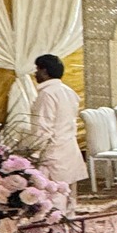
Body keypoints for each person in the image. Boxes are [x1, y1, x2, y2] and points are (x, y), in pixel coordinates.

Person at [30, 54, 87, 191]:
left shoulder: (47, 94)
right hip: (69, 148)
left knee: (53, 197)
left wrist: (34, 154)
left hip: (53, 152)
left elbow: (43, 128)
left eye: (37, 69)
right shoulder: (69, 91)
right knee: (68, 195)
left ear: (45, 71)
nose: (35, 73)